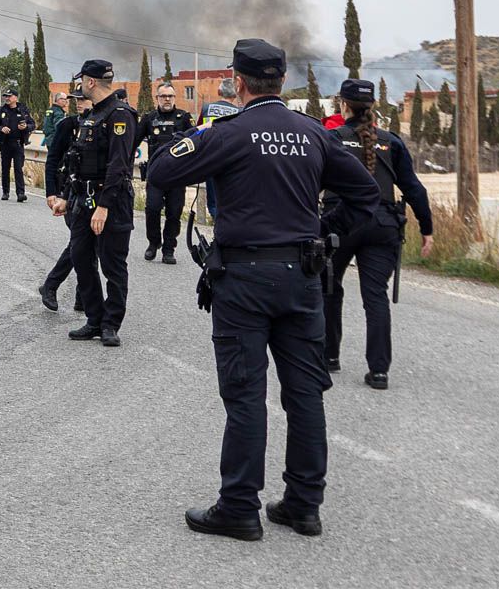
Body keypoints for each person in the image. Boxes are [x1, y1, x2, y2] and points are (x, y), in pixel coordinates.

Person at [148, 39, 379, 541]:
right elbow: (367, 193)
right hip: (302, 278)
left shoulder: (229, 132)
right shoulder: (314, 134)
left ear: (238, 81)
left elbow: (162, 170)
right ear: (280, 80)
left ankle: (239, 507)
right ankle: (303, 504)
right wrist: (329, 232)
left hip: (244, 281)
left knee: (246, 393)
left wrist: (206, 128)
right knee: (305, 393)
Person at [323, 78, 434, 390]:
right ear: (372, 107)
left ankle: (329, 356)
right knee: (375, 296)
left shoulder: (331, 138)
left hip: (339, 221)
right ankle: (379, 371)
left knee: (329, 287)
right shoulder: (392, 142)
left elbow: (309, 183)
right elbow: (414, 188)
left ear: (342, 105)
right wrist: (428, 229)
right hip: (382, 224)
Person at [50, 60, 139, 348]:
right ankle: (94, 318)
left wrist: (103, 206)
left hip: (111, 201)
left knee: (113, 265)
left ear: (89, 82)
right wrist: (65, 195)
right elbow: (76, 159)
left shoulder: (120, 114)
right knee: (81, 258)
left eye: (81, 81)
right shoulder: (92, 115)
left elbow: (119, 165)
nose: (78, 86)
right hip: (82, 199)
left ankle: (111, 324)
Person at [38, 87, 87, 313]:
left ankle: (80, 294)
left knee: (86, 244)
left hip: (90, 192)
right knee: (79, 242)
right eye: (76, 100)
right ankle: (53, 285)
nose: (79, 103)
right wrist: (51, 192)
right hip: (68, 192)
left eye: (83, 99)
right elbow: (53, 159)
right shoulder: (68, 125)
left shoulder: (102, 124)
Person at [136, 83, 195, 264]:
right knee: (152, 209)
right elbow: (133, 142)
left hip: (177, 174)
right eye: (163, 96)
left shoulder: (184, 118)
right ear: (157, 98)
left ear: (174, 98)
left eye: (170, 96)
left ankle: (169, 249)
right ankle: (153, 243)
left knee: (174, 213)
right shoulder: (148, 118)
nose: (167, 99)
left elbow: (197, 143)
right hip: (156, 174)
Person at [0, 88, 34, 202]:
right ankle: (5, 192)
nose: (7, 98)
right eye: (6, 96)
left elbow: (32, 124)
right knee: (5, 168)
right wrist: (1, 128)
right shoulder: (0, 110)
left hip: (18, 143)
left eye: (9, 96)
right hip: (5, 143)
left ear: (15, 97)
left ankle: (20, 193)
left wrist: (26, 127)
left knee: (18, 168)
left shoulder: (23, 109)